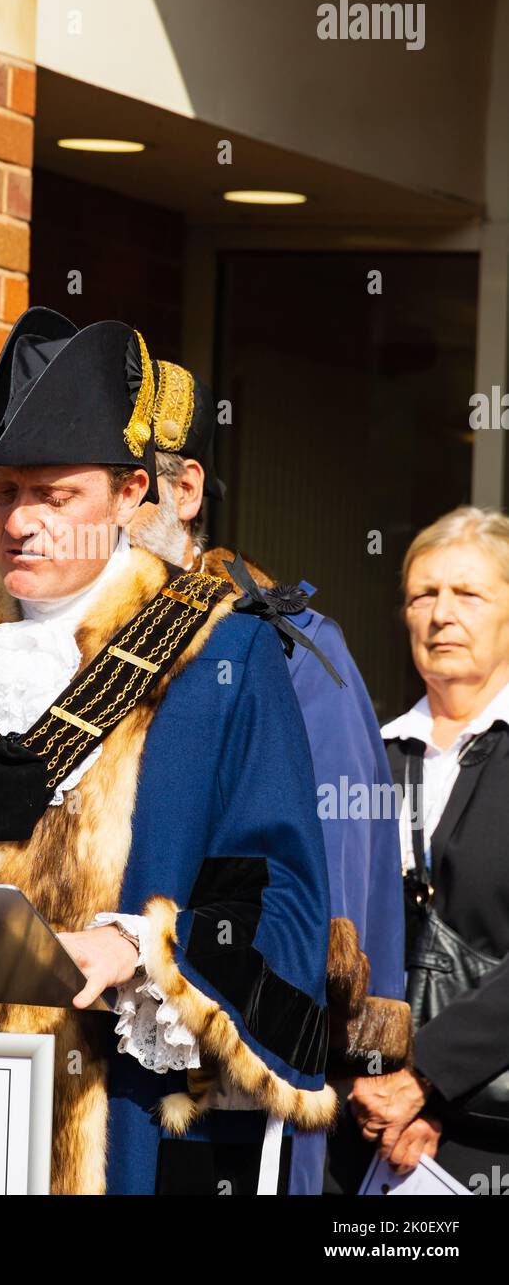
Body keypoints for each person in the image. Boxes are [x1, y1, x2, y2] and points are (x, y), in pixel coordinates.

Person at [0, 307, 337, 1195]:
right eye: (5, 490)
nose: (22, 520)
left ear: (131, 492)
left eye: (55, 496)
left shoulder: (223, 651)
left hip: (128, 1121)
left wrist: (141, 951)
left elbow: (280, 895)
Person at [128, 360, 408, 1195]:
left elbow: (341, 870)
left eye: (124, 488)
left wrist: (366, 1053)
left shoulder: (291, 646)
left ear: (183, 493)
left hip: (233, 1075)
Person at [350, 507, 509, 1189]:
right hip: (367, 1126)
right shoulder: (365, 758)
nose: (442, 614)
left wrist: (429, 1079)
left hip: (492, 1134)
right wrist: (381, 1087)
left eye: (468, 594)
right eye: (424, 595)